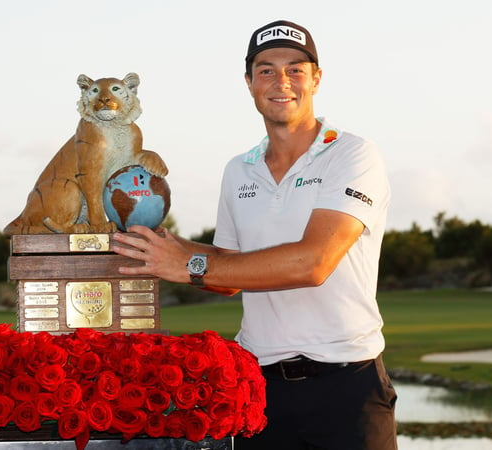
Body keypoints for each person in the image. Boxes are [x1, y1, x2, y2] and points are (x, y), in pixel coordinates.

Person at [111, 19, 398, 450]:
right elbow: (228, 271)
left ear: (316, 79)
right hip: (262, 390)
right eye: (266, 70)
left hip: (348, 386)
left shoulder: (353, 153)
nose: (281, 81)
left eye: (295, 69)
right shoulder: (238, 169)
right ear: (249, 83)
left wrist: (188, 263)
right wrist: (161, 248)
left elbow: (313, 262)